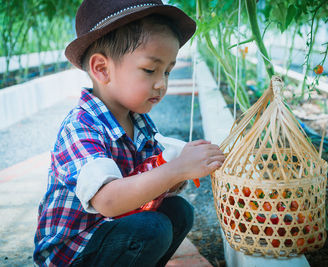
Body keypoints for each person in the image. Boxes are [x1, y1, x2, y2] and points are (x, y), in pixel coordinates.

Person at [33, 0, 225, 266]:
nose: (162, 84)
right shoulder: (80, 128)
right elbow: (109, 201)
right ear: (102, 69)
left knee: (179, 212)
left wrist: (180, 171)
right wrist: (176, 169)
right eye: (150, 70)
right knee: (151, 230)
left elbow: (150, 176)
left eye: (167, 71)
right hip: (75, 252)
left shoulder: (140, 122)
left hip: (112, 230)